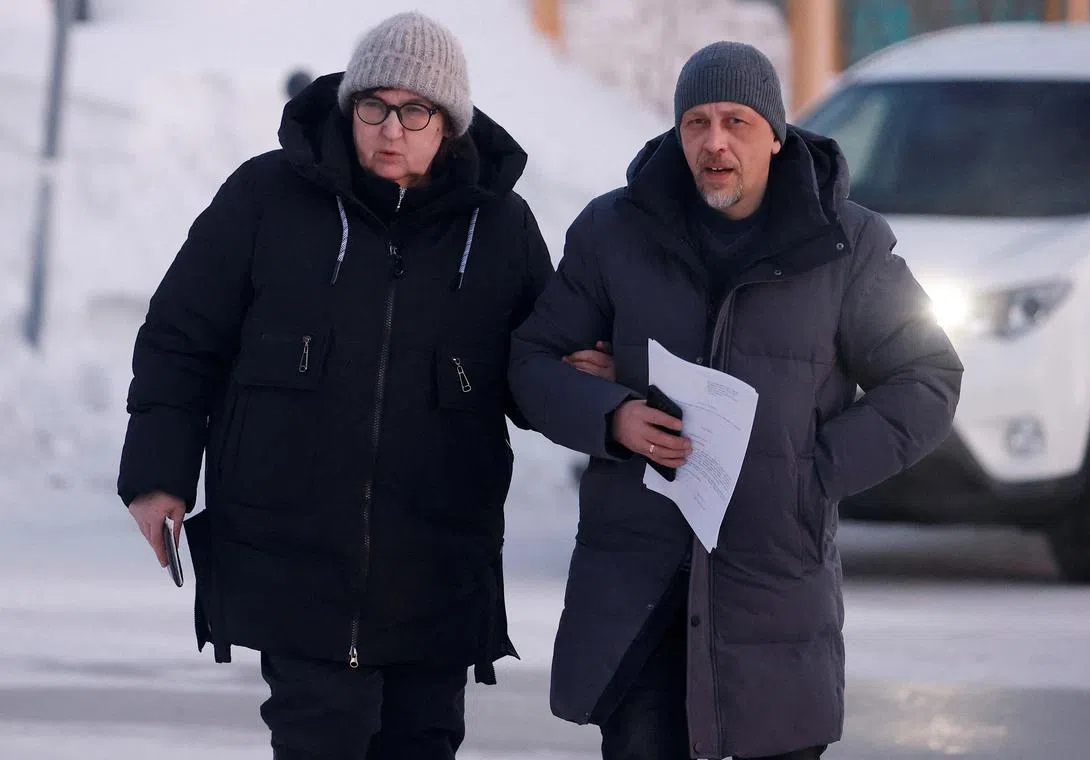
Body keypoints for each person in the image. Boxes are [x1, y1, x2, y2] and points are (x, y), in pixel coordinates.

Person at [509, 41, 964, 760]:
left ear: (775, 135)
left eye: (736, 121)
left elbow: (928, 377)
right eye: (696, 122)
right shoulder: (614, 231)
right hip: (640, 593)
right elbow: (531, 362)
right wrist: (614, 415)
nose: (714, 142)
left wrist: (813, 471)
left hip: (773, 592)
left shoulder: (847, 244)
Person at [117, 12, 554, 759]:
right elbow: (180, 339)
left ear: (449, 124)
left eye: (414, 112)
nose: (390, 130)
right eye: (372, 107)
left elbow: (539, 371)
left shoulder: (500, 228)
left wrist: (597, 388)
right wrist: (158, 475)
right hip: (295, 554)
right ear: (349, 107)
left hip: (437, 561)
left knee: (423, 740)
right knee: (322, 736)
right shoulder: (265, 197)